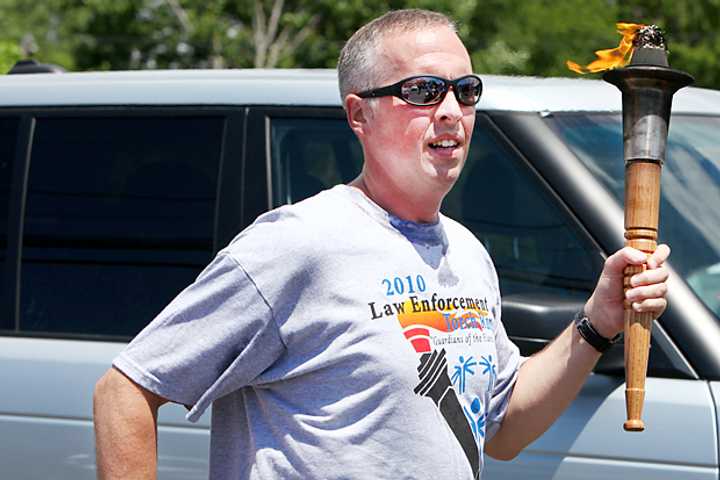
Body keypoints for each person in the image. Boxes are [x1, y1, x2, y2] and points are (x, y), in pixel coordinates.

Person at [93, 9, 670, 480]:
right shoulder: (299, 244)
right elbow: (124, 392)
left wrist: (598, 320)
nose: (451, 111)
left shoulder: (467, 252)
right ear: (358, 114)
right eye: (423, 90)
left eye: (465, 91)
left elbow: (503, 430)